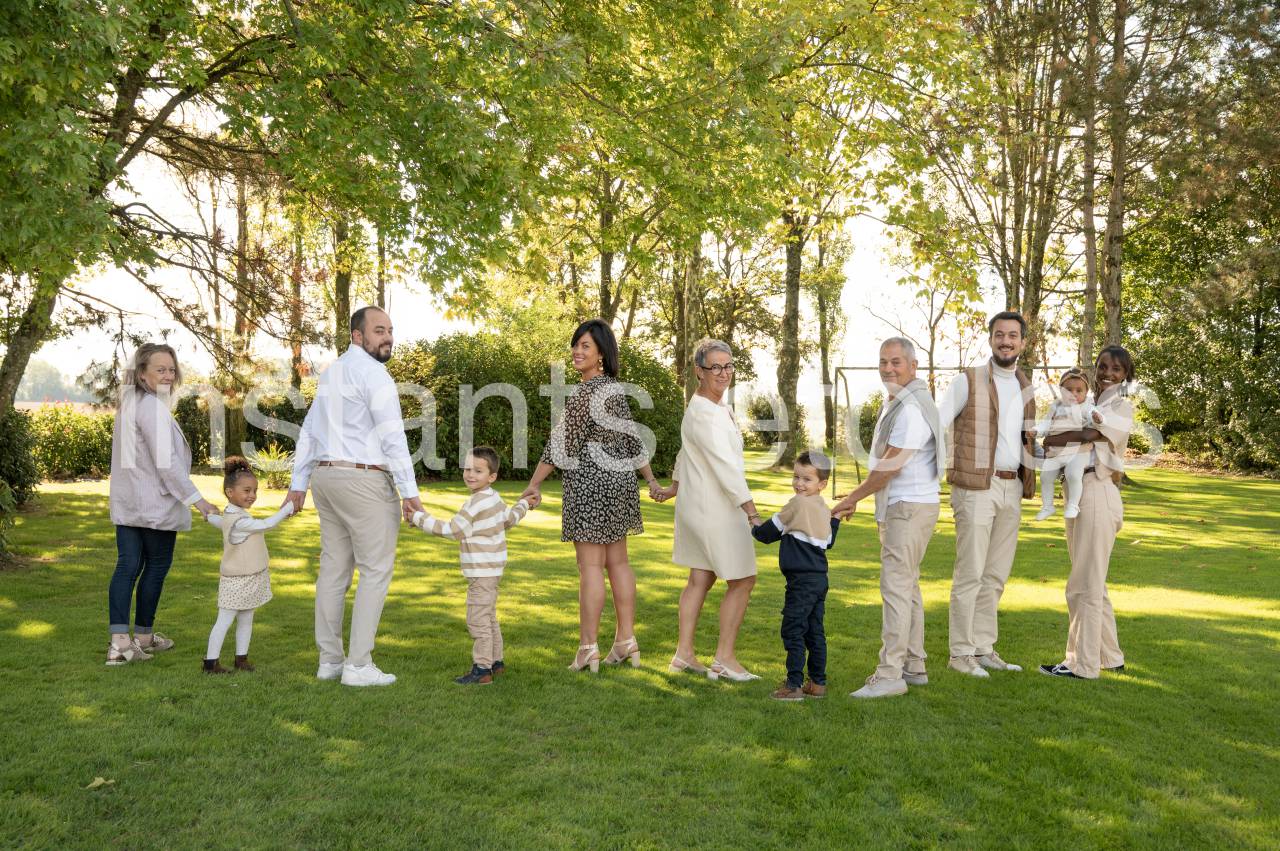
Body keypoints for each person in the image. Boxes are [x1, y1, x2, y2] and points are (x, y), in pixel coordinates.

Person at [286, 306, 424, 687]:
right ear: (357, 336)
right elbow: (392, 436)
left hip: (326, 479)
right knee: (375, 570)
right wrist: (409, 492)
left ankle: (330, 660)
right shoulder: (375, 374)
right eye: (379, 330)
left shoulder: (332, 373)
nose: (388, 337)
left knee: (333, 570)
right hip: (362, 480)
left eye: (390, 330)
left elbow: (309, 431)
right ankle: (358, 665)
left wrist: (300, 482)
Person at [521, 319, 662, 673]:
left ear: (601, 353)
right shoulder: (614, 390)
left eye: (585, 346)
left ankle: (588, 648)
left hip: (591, 485)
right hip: (620, 484)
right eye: (576, 345)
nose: (577, 351)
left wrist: (534, 484)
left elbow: (561, 444)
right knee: (619, 564)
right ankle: (625, 640)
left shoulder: (586, 393)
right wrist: (650, 480)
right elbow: (633, 441)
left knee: (590, 568)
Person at [833, 338, 944, 699]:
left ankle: (889, 674)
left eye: (896, 362)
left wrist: (852, 498)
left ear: (913, 366)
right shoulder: (900, 401)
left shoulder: (911, 408)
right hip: (907, 506)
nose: (888, 368)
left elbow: (890, 467)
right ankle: (914, 665)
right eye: (883, 362)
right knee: (907, 587)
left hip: (908, 508)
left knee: (896, 589)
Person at [654, 338, 764, 682]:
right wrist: (751, 511)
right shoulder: (704, 412)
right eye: (715, 366)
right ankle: (725, 659)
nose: (723, 372)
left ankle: (683, 655)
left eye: (728, 366)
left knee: (700, 578)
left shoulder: (709, 407)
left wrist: (674, 486)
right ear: (699, 371)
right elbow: (725, 468)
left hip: (699, 504)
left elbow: (684, 452)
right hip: (715, 508)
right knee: (743, 579)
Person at [937, 311, 1037, 678]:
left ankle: (982, 647)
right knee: (970, 573)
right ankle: (960, 654)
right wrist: (943, 467)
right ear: (991, 339)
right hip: (976, 487)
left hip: (1013, 486)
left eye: (1012, 335)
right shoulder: (968, 380)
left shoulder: (1025, 386)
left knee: (995, 575)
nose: (1005, 341)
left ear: (1022, 342)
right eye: (999, 335)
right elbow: (938, 423)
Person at [107, 343, 218, 665]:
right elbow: (166, 463)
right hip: (153, 503)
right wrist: (198, 500)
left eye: (171, 369)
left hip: (130, 502)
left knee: (128, 566)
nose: (168, 375)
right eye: (160, 370)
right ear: (142, 374)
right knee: (153, 567)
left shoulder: (130, 404)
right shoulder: (151, 407)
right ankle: (136, 638)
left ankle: (125, 642)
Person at [1040, 346, 1135, 679]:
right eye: (1103, 366)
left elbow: (1090, 434)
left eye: (1117, 369)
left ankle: (1081, 664)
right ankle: (1109, 656)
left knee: (1083, 584)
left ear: (1126, 376)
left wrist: (1053, 440)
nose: (1108, 373)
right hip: (1080, 493)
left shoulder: (1121, 406)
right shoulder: (1087, 402)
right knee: (1094, 581)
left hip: (1098, 490)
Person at [410, 447, 534, 685]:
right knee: (489, 617)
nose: (470, 474)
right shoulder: (494, 498)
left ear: (492, 476)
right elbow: (510, 518)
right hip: (492, 571)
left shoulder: (476, 502)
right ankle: (496, 662)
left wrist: (417, 518)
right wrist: (524, 504)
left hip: (481, 572)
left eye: (478, 471)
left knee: (477, 619)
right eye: (467, 469)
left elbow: (453, 530)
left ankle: (482, 669)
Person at [751, 451, 840, 701]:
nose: (799, 484)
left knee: (793, 630)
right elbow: (829, 542)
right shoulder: (823, 508)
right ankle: (818, 683)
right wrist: (836, 519)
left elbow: (767, 534)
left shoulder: (797, 504)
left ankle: (793, 685)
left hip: (800, 582)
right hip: (819, 580)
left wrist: (753, 524)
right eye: (796, 477)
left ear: (822, 484)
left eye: (807, 479)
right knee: (814, 631)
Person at [202, 457, 295, 674]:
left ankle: (241, 659)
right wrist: (288, 507)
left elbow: (221, 522)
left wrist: (210, 517)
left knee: (246, 619)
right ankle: (210, 663)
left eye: (254, 490)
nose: (252, 495)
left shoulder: (232, 515)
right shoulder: (241, 521)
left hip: (250, 577)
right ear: (230, 492)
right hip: (236, 580)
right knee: (224, 621)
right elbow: (266, 524)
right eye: (246, 490)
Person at [1034, 369, 1105, 521]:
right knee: (1045, 477)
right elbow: (1046, 424)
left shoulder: (1087, 407)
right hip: (1056, 451)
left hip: (1078, 451)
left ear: (1086, 392)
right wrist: (1036, 431)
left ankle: (1073, 505)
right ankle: (1047, 506)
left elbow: (1096, 420)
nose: (1073, 394)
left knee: (1073, 474)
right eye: (1069, 390)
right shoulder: (1056, 407)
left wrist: (1098, 419)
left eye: (1079, 390)